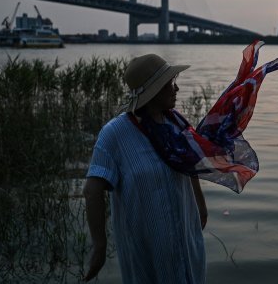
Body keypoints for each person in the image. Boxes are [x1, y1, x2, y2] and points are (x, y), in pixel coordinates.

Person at [83, 54, 207, 283]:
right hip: (148, 247)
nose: (176, 88)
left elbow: (189, 164)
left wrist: (200, 204)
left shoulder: (176, 124)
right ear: (154, 90)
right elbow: (92, 189)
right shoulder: (115, 134)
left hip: (186, 243)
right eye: (169, 84)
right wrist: (99, 246)